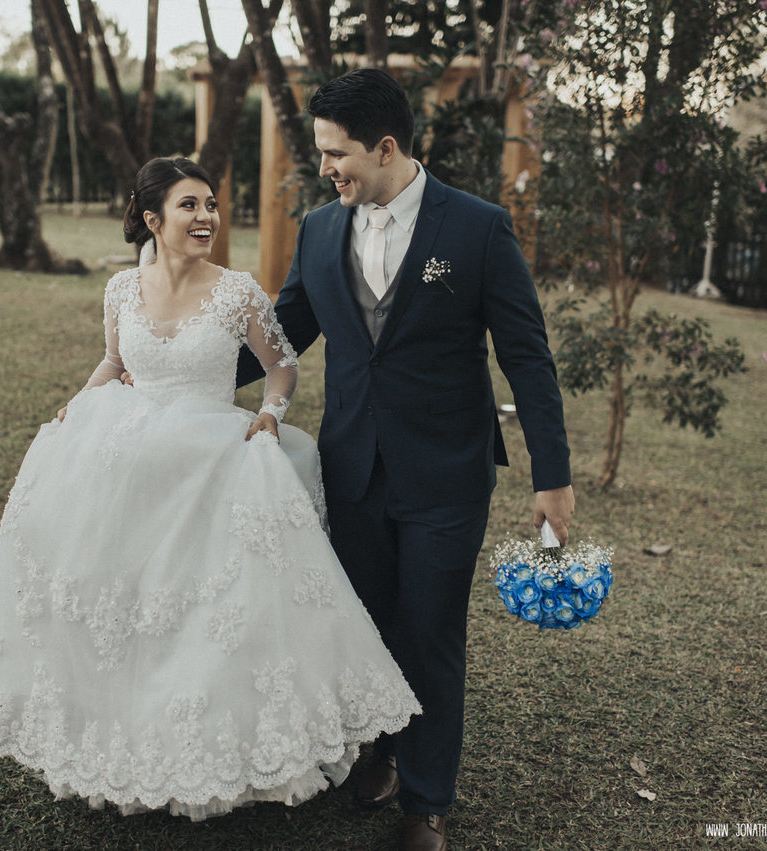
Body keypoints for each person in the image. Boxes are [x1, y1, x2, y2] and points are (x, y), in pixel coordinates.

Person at [0, 156, 421, 821]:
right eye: (190, 206)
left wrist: (271, 414)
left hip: (213, 457)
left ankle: (216, 739)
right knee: (122, 598)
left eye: (211, 204)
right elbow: (115, 362)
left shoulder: (236, 292)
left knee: (208, 606)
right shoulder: (121, 290)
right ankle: (125, 729)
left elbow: (282, 367)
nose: (206, 216)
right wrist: (78, 406)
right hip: (130, 458)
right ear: (153, 218)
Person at [236, 69, 575, 851]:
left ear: (386, 147)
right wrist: (173, 372)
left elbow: (528, 356)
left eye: (336, 154)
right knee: (364, 623)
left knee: (429, 632)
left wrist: (552, 476)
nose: (326, 168)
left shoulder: (478, 228)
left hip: (447, 473)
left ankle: (426, 800)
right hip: (352, 466)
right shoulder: (322, 231)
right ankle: (380, 753)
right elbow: (283, 333)